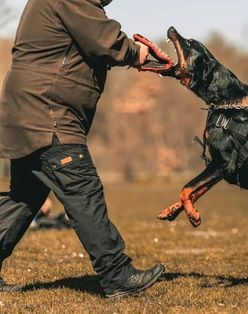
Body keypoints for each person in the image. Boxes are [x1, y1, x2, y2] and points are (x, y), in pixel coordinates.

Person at [0, 0, 165, 298]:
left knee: (25, 197)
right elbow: (102, 38)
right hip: (47, 113)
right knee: (83, 189)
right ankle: (117, 275)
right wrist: (135, 52)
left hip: (28, 110)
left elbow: (85, 45)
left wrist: (128, 56)